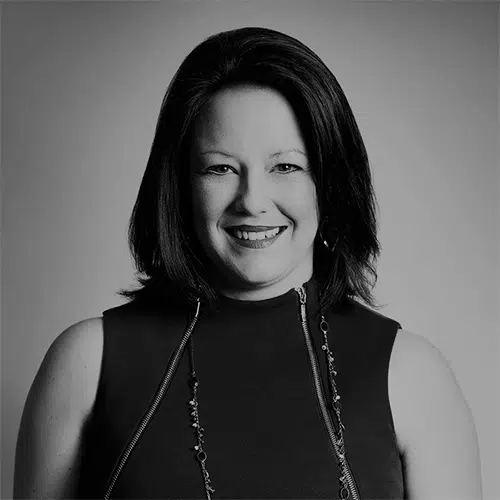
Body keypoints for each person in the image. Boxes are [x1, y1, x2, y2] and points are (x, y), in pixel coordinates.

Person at [14, 27, 482, 500]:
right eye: (220, 168)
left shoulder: (412, 375)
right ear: (180, 186)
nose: (253, 201)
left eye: (286, 166)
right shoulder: (85, 364)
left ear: (330, 183)